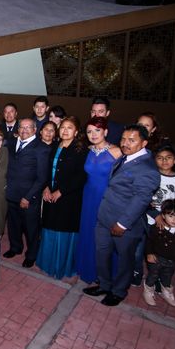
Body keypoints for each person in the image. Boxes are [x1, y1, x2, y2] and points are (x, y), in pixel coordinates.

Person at [84, 125, 160, 306]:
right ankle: (104, 284)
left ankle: (118, 291)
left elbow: (141, 199)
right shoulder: (125, 157)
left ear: (144, 143)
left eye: (132, 140)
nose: (126, 143)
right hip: (104, 217)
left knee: (125, 260)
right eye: (124, 139)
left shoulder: (147, 168)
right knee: (102, 253)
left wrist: (123, 224)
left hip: (124, 224)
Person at [37, 117, 88, 280]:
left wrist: (61, 191)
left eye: (70, 128)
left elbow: (81, 176)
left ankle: (61, 267)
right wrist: (45, 187)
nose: (65, 130)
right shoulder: (55, 146)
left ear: (76, 131)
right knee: (50, 225)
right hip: (51, 194)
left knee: (63, 228)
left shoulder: (81, 150)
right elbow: (47, 170)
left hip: (69, 199)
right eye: (63, 127)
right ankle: (47, 262)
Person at [132, 144, 175, 287]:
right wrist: (155, 214)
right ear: (154, 160)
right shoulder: (150, 175)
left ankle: (155, 278)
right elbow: (142, 199)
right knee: (139, 251)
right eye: (160, 158)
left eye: (168, 158)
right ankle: (137, 272)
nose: (164, 161)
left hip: (166, 224)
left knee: (161, 253)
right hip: (146, 219)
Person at [76, 117, 122, 284]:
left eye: (97, 130)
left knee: (105, 238)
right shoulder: (87, 150)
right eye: (89, 131)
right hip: (88, 197)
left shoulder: (117, 152)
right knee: (89, 232)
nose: (93, 134)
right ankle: (89, 269)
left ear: (106, 132)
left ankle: (108, 274)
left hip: (107, 199)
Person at [4, 119, 51, 267]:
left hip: (29, 197)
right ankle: (15, 247)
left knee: (31, 228)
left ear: (35, 129)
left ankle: (31, 254)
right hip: (11, 193)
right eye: (21, 127)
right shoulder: (12, 143)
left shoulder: (41, 148)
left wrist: (28, 197)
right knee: (13, 225)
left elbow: (42, 177)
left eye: (28, 127)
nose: (24, 130)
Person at [143, 200, 175, 307]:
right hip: (156, 259)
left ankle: (166, 292)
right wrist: (149, 253)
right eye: (171, 216)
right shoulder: (157, 228)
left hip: (172, 261)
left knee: (167, 277)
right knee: (153, 275)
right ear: (163, 216)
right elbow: (149, 241)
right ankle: (148, 290)